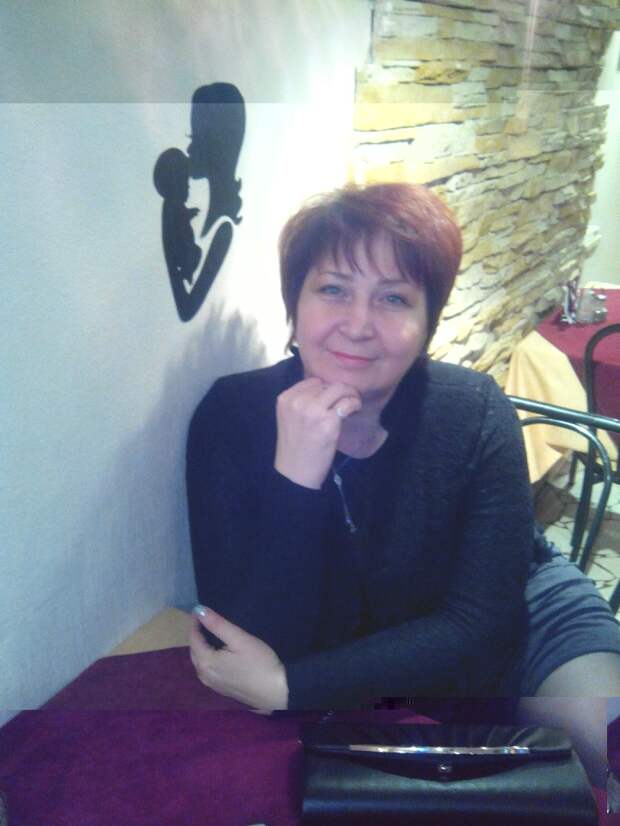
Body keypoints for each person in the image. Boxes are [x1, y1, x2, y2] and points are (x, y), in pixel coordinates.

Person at [186, 182, 620, 719]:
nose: (358, 325)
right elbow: (243, 646)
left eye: (393, 298)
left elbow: (480, 621)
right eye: (333, 289)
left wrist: (292, 687)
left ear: (427, 323)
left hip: (514, 624)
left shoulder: (473, 408)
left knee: (607, 736)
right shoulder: (231, 416)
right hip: (355, 664)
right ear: (294, 304)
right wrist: (295, 481)